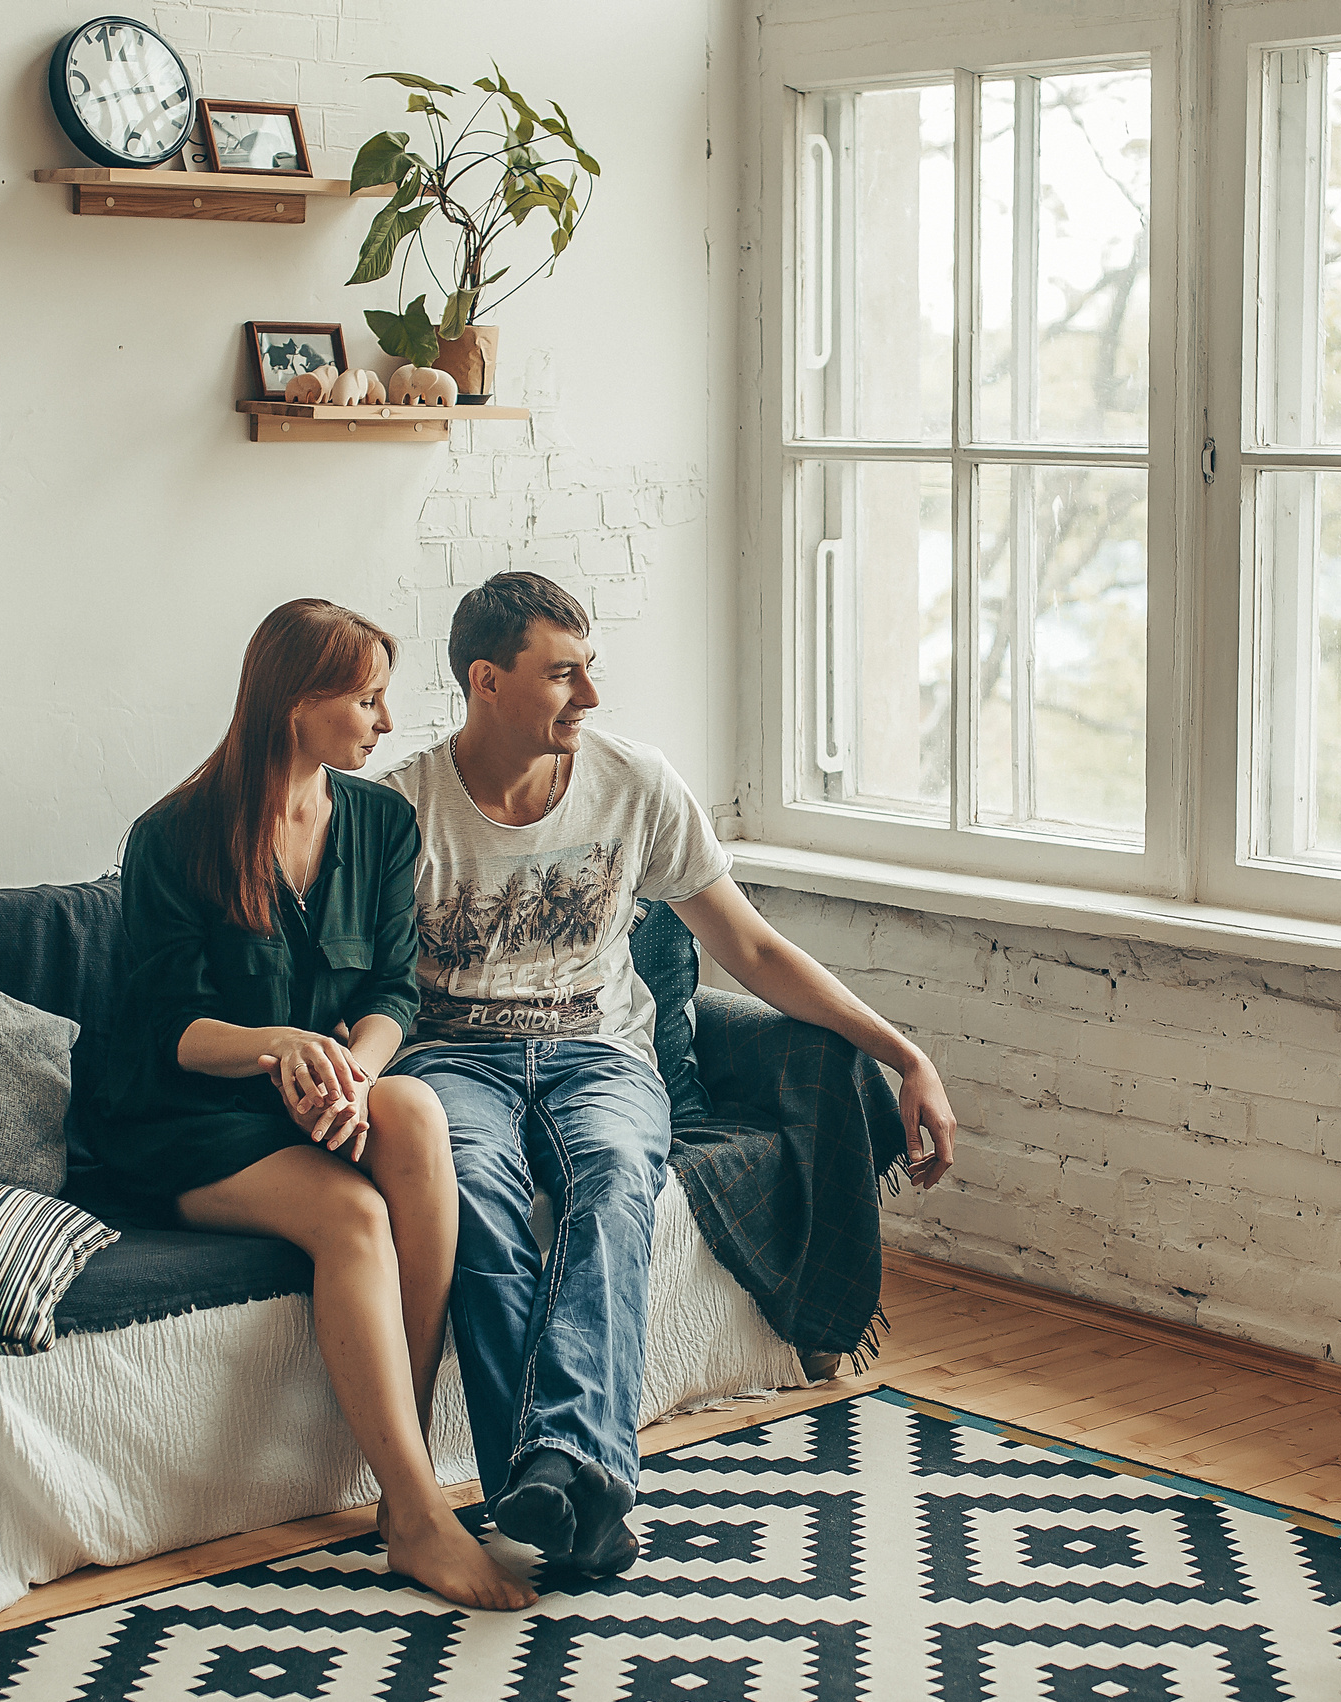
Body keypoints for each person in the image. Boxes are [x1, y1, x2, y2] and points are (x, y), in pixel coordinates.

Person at [380, 571, 958, 1576]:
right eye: (563, 675)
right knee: (476, 1195)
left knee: (614, 1187)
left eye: (589, 668)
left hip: (599, 1055)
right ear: (486, 681)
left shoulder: (634, 783)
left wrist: (901, 1052)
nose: (590, 695)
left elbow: (753, 947)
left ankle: (550, 1474)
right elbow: (363, 988)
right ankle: (577, 1486)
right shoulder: (400, 810)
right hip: (451, 1062)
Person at [96, 598, 535, 1611]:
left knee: (416, 1111)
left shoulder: (380, 822)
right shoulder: (172, 837)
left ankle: (401, 1463)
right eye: (367, 699)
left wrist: (355, 1075)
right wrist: (284, 1048)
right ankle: (418, 1510)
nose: (386, 721)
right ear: (296, 700)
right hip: (188, 1117)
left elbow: (391, 992)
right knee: (354, 1214)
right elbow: (174, 1030)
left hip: (322, 1091)